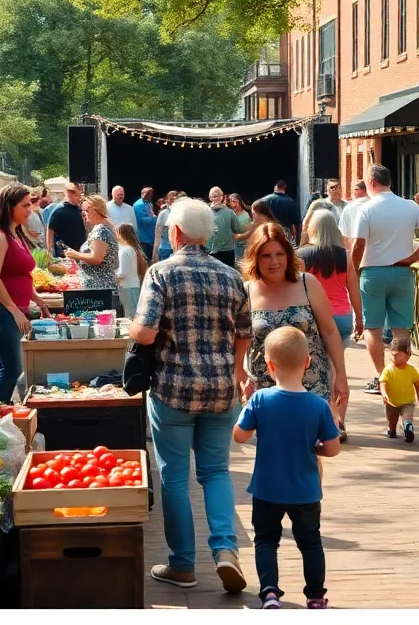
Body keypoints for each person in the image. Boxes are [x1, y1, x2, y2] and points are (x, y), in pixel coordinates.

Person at [128, 198, 252, 593]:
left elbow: (145, 332)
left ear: (175, 232)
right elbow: (245, 332)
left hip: (173, 389)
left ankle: (183, 564)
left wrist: (132, 329)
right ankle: (225, 549)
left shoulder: (162, 273)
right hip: (220, 390)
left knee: (175, 478)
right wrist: (234, 374)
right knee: (216, 472)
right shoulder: (230, 275)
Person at [233, 326, 340, 610]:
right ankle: (315, 596)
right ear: (307, 362)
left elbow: (239, 436)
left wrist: (245, 402)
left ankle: (269, 593)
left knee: (266, 540)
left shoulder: (260, 399)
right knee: (311, 542)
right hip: (305, 490)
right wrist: (316, 445)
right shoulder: (318, 406)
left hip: (267, 488)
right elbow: (333, 448)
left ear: (269, 366)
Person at [242, 223, 349, 428]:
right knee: (277, 450)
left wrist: (340, 375)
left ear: (289, 255)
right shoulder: (245, 291)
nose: (274, 262)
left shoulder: (307, 283)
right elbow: (237, 340)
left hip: (311, 383)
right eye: (266, 255)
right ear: (254, 257)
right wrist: (240, 374)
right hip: (266, 388)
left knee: (311, 450)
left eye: (280, 254)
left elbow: (329, 330)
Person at [350, 165, 419, 394]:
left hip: (372, 272)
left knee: (373, 329)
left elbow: (359, 244)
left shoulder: (367, 208)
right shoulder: (409, 206)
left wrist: (353, 270)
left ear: (371, 181)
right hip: (402, 271)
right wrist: (414, 257)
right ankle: (400, 373)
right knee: (402, 330)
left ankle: (382, 376)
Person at [0, 185, 51, 402]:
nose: (30, 209)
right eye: (25, 205)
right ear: (9, 206)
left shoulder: (15, 234)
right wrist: (14, 310)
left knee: (8, 368)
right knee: (10, 370)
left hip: (10, 309)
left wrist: (39, 302)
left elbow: (22, 276)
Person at [298, 210, 361, 442]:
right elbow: (353, 289)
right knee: (337, 368)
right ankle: (339, 420)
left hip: (313, 317)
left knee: (313, 369)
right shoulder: (344, 256)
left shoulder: (301, 255)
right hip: (342, 316)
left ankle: (316, 421)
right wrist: (360, 319)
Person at [64, 195, 119, 290]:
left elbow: (96, 258)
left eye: (86, 210)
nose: (84, 214)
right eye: (83, 211)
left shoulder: (101, 230)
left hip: (99, 288)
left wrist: (75, 254)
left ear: (97, 210)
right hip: (98, 287)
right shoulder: (102, 228)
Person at [379, 337, 419, 442]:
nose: (394, 358)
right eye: (392, 355)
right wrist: (384, 394)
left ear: (407, 356)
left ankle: (408, 427)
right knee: (391, 419)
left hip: (407, 401)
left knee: (407, 417)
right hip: (391, 401)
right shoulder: (389, 369)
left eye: (397, 356)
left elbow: (417, 383)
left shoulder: (411, 370)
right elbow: (383, 382)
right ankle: (392, 429)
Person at [114, 222, 147, 318]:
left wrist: (110, 279)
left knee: (131, 316)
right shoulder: (133, 249)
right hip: (133, 285)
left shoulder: (125, 251)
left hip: (127, 287)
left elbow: (122, 273)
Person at [206, 187, 244, 267]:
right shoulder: (206, 213)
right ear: (210, 198)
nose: (214, 198)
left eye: (216, 196)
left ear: (222, 197)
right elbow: (238, 229)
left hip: (225, 250)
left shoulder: (229, 212)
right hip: (212, 251)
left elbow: (238, 229)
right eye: (212, 196)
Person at [46, 182, 87, 257]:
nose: (81, 197)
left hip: (80, 251)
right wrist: (50, 251)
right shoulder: (59, 210)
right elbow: (50, 230)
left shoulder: (81, 209)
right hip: (64, 253)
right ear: (70, 195)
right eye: (79, 195)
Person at [300, 179, 346, 245]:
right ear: (327, 190)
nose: (334, 189)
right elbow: (306, 223)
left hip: (340, 242)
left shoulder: (347, 206)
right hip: (321, 240)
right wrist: (303, 243)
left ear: (341, 189)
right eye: (332, 187)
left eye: (337, 187)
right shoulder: (319, 204)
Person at [262, 180, 301, 244]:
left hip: (267, 232)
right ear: (285, 188)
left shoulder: (264, 200)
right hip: (284, 234)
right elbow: (298, 223)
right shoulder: (291, 202)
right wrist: (298, 242)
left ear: (275, 187)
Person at [337, 179, 369, 247]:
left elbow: (343, 234)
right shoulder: (375, 205)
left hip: (355, 249)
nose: (352, 193)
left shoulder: (349, 208)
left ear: (359, 190)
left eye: (354, 190)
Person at [152, 190, 179, 263]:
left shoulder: (181, 212)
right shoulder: (163, 213)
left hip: (178, 250)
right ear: (167, 201)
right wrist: (154, 254)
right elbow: (158, 233)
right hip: (166, 249)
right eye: (172, 200)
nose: (174, 202)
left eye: (176, 200)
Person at [133, 187, 158, 260]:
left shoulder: (149, 203)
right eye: (150, 194)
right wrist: (156, 219)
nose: (152, 196)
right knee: (146, 260)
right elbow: (141, 220)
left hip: (151, 237)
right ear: (145, 194)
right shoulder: (139, 204)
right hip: (144, 239)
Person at [228, 193, 252, 263]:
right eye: (231, 201)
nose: (232, 203)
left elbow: (248, 231)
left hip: (242, 245)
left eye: (234, 201)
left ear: (239, 201)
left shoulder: (245, 215)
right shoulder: (230, 214)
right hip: (232, 245)